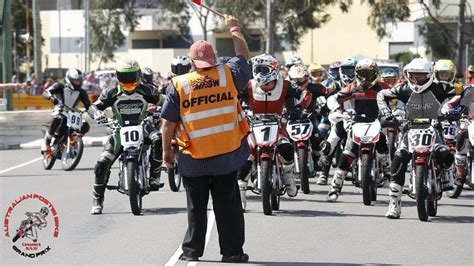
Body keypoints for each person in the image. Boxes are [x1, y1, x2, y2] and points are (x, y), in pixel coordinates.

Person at [160, 15, 250, 263]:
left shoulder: (179, 84)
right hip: (227, 156)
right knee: (228, 207)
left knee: (195, 208)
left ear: (192, 61)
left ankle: (192, 252)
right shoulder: (228, 74)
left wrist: (166, 152)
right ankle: (232, 253)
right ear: (213, 59)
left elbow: (168, 124)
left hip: (193, 159)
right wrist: (234, 27)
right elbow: (243, 56)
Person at [377, 58, 459, 219]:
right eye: (413, 75)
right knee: (399, 158)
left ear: (429, 75)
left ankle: (448, 174)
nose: (416, 79)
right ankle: (394, 204)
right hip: (410, 130)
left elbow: (465, 90)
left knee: (444, 152)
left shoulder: (441, 87)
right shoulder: (403, 89)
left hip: (434, 128)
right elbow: (381, 95)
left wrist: (458, 108)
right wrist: (387, 114)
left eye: (421, 76)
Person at [88, 59, 164, 215]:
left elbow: (165, 101)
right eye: (124, 77)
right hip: (119, 129)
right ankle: (97, 199)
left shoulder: (148, 90)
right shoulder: (110, 93)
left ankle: (155, 176)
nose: (128, 81)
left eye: (131, 77)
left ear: (138, 76)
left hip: (142, 125)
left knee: (158, 137)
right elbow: (93, 106)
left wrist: (164, 110)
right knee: (102, 163)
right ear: (118, 76)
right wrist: (97, 114)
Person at [237, 53, 300, 211]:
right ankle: (240, 192)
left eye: (263, 69)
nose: (259, 73)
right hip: (254, 125)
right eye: (256, 69)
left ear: (273, 69)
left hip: (278, 126)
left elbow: (298, 97)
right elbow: (235, 98)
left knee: (286, 147)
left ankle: (288, 176)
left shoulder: (285, 85)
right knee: (246, 153)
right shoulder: (249, 85)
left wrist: (295, 109)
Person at [326, 58, 391, 202]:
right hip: (357, 123)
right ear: (357, 74)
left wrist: (398, 110)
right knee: (348, 152)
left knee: (382, 147)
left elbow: (399, 98)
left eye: (369, 74)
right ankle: (335, 188)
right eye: (362, 74)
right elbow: (333, 99)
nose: (365, 78)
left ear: (375, 74)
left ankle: (388, 174)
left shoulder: (383, 87)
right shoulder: (352, 87)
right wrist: (338, 110)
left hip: (376, 122)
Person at [41, 68, 91, 154]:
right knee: (58, 118)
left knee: (85, 125)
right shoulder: (59, 86)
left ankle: (74, 141)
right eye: (76, 81)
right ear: (69, 79)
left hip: (72, 113)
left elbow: (88, 105)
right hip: (60, 110)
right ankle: (46, 143)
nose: (78, 83)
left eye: (79, 80)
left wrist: (95, 112)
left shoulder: (82, 92)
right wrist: (52, 98)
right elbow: (46, 92)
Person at [287, 64, 327, 172]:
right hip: (290, 119)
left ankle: (316, 159)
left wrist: (328, 103)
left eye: (301, 79)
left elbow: (328, 93)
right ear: (290, 78)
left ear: (307, 77)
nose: (299, 82)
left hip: (309, 117)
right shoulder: (285, 88)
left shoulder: (315, 87)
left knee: (317, 140)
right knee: (284, 142)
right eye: (295, 80)